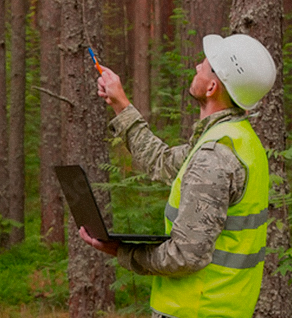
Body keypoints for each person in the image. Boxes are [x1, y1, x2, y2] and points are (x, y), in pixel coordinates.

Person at [79, 34, 277, 318]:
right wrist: (120, 104)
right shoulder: (236, 140)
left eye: (205, 65)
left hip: (195, 310)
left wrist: (120, 252)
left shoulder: (214, 156)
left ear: (212, 87)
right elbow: (161, 161)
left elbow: (185, 256)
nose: (197, 66)